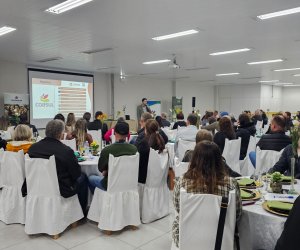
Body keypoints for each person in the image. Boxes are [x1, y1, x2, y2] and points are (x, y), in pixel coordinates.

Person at [172, 141, 242, 248]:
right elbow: (237, 214)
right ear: (219, 160)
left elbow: (178, 209)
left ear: (194, 159)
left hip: (188, 238)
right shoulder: (231, 184)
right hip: (221, 240)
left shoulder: (182, 182)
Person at [22, 119, 88, 213]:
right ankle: (81, 211)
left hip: (35, 186)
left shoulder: (33, 148)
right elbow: (76, 174)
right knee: (83, 177)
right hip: (59, 188)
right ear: (61, 134)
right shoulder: (66, 151)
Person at [88, 122, 137, 192]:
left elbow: (100, 169)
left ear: (114, 133)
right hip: (129, 184)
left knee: (91, 178)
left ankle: (99, 201)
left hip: (111, 184)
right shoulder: (134, 149)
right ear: (127, 134)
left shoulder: (107, 150)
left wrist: (107, 171)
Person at [137, 119, 166, 184]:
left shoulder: (143, 144)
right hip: (159, 179)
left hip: (144, 179)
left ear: (146, 130)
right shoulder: (161, 142)